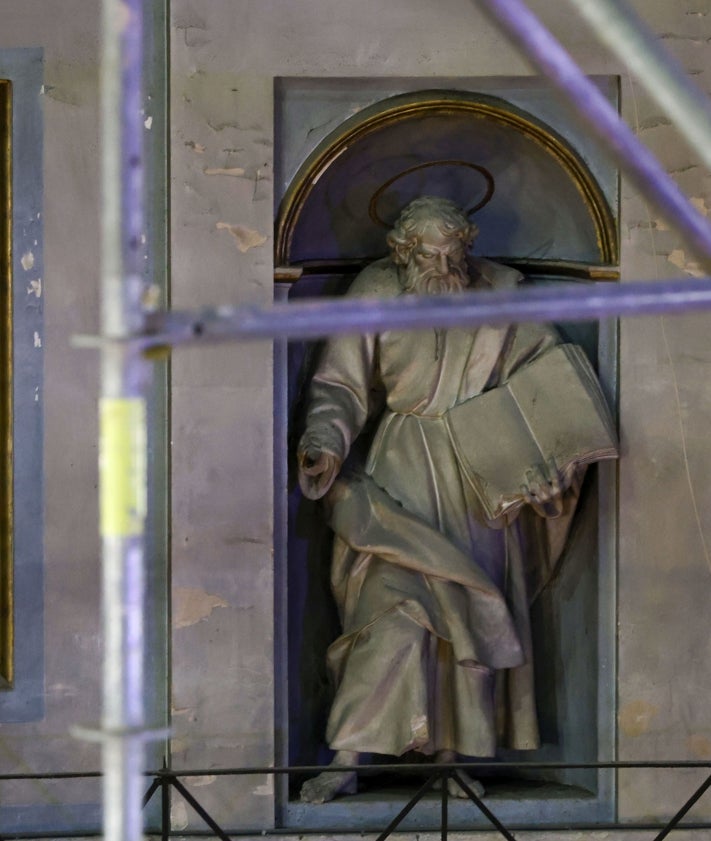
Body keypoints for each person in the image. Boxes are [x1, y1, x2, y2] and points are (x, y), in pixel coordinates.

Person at [296, 196, 586, 804]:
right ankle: (347, 754)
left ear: (466, 245)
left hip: (477, 470)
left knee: (466, 618)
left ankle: (454, 760)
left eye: (453, 251)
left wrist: (552, 458)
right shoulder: (374, 290)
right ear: (402, 251)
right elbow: (340, 384)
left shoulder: (500, 294)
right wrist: (323, 441)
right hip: (398, 468)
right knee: (390, 615)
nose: (442, 264)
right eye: (429, 253)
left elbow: (547, 382)